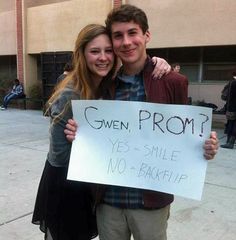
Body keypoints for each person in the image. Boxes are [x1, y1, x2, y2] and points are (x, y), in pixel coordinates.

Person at [65, 4, 219, 240]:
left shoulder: (172, 81)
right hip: (109, 201)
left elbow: (186, 136)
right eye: (118, 35)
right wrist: (79, 133)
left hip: (151, 202)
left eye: (132, 33)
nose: (126, 42)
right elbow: (93, 134)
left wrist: (205, 147)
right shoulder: (103, 84)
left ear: (146, 35)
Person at [31, 23, 170, 240]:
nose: (103, 57)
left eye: (108, 51)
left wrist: (156, 62)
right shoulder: (70, 95)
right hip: (67, 187)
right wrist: (83, 141)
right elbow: (59, 158)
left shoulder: (108, 86)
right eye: (95, 51)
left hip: (93, 186)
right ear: (82, 55)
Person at [220, 70, 236, 149]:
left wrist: (227, 108)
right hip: (232, 107)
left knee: (231, 124)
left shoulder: (232, 83)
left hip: (232, 108)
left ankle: (229, 142)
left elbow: (225, 96)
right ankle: (230, 142)